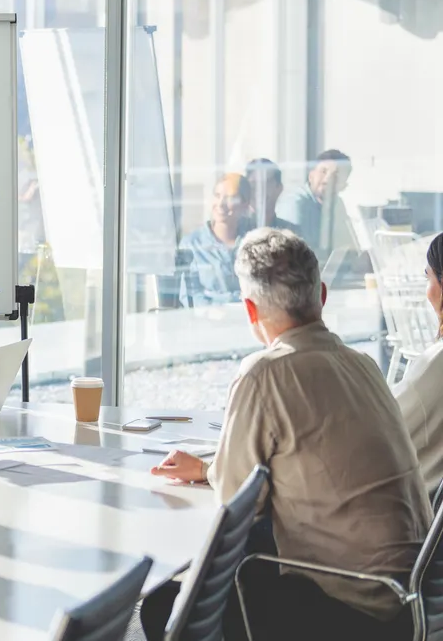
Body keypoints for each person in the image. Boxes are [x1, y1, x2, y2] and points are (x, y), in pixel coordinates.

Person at [145, 228, 429, 641]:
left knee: (165, 606)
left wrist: (216, 474)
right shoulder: (364, 366)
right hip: (409, 600)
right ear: (323, 296)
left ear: (250, 310)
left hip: (349, 608)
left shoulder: (266, 372)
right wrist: (209, 469)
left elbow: (236, 502)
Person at [392, 232, 443, 494]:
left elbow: (385, 428)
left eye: (428, 277)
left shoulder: (434, 366)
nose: (427, 292)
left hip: (423, 522)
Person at [174, 173, 253, 307]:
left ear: (245, 204)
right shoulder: (191, 245)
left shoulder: (253, 241)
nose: (221, 204)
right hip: (208, 323)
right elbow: (189, 296)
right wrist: (212, 311)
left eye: (230, 198)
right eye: (217, 195)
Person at [275, 149, 353, 258]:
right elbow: (294, 254)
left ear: (343, 185)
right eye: (323, 171)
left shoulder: (338, 204)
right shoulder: (295, 203)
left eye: (336, 175)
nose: (327, 179)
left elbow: (347, 246)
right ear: (311, 176)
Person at [244, 157, 292, 230]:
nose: (259, 190)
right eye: (253, 184)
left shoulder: (289, 231)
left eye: (266, 183)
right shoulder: (235, 229)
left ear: (279, 188)